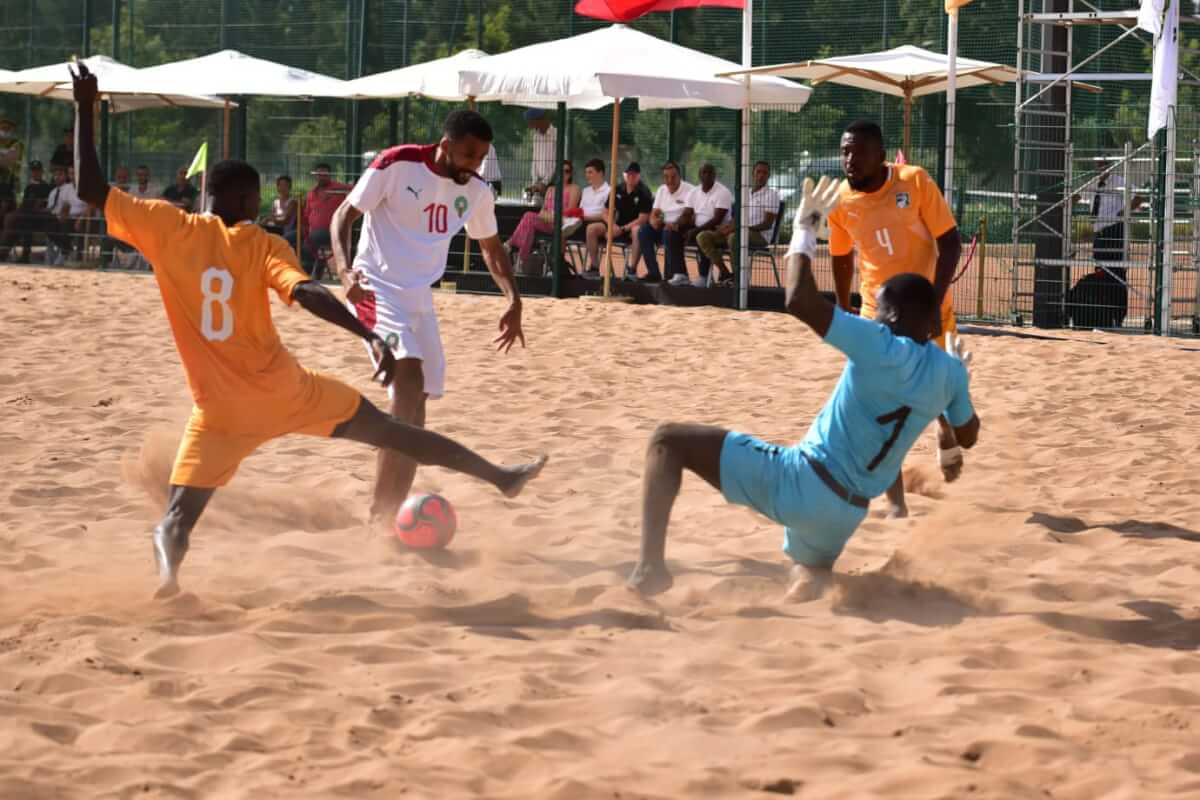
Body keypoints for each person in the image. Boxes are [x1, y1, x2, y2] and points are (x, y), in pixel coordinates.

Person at [69, 64, 545, 599]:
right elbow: (310, 284)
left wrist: (85, 106)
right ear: (252, 204)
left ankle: (167, 577)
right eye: (468, 156)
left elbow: (90, 187)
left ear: (207, 196)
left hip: (219, 414)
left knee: (177, 519)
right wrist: (360, 320)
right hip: (296, 383)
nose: (474, 166)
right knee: (401, 422)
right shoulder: (266, 244)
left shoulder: (167, 228)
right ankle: (490, 480)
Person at [627, 176, 980, 601]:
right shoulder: (947, 370)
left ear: (890, 316)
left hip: (802, 481)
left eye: (880, 309)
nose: (875, 317)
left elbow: (797, 298)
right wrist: (958, 383)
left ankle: (650, 570)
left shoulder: (878, 343)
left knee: (667, 441)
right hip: (847, 514)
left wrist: (806, 227)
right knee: (808, 576)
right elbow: (967, 435)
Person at [330, 109, 528, 527]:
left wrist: (513, 299)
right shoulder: (396, 163)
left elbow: (492, 249)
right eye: (469, 155)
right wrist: (345, 271)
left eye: (481, 158)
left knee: (415, 413)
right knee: (409, 380)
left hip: (420, 299)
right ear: (446, 145)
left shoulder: (475, 191)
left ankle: (388, 514)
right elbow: (343, 215)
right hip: (374, 287)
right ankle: (379, 516)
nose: (475, 165)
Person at [827, 120, 964, 519]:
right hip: (877, 312)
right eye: (845, 151)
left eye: (859, 151)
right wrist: (842, 307)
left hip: (928, 304)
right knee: (879, 405)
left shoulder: (915, 181)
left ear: (881, 155)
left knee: (940, 390)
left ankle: (946, 429)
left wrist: (934, 305)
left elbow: (950, 241)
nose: (849, 159)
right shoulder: (839, 200)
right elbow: (839, 255)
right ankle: (896, 504)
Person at [697, 160, 779, 285]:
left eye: (765, 173)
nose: (761, 175)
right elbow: (737, 218)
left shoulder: (772, 195)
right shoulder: (745, 194)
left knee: (734, 237)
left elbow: (767, 224)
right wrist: (726, 227)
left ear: (768, 176)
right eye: (758, 172)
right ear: (753, 174)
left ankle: (739, 278)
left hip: (760, 236)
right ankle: (725, 273)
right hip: (739, 232)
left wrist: (739, 229)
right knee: (703, 236)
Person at [505, 159, 580, 271]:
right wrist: (549, 216)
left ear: (571, 174)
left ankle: (511, 245)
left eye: (567, 171)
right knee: (529, 223)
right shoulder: (550, 189)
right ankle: (521, 261)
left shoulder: (574, 188)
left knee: (528, 217)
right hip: (547, 222)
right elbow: (542, 211)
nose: (564, 174)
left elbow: (570, 211)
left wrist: (551, 216)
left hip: (562, 224)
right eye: (561, 171)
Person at [589, 161, 652, 279]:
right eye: (628, 174)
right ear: (624, 175)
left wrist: (622, 229)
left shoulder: (644, 193)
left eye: (634, 174)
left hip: (631, 229)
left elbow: (642, 219)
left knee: (637, 230)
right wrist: (612, 226)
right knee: (592, 229)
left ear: (639, 176)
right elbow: (604, 212)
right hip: (616, 226)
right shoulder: (617, 189)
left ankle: (632, 270)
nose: (631, 177)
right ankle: (594, 267)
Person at [634, 161, 694, 284]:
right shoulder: (661, 190)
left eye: (673, 176)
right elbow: (655, 212)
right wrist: (654, 221)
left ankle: (673, 274)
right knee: (643, 231)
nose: (670, 180)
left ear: (679, 176)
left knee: (668, 232)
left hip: (681, 228)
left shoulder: (690, 190)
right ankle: (654, 273)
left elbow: (689, 215)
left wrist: (675, 224)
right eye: (666, 177)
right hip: (664, 225)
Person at [674, 163, 733, 287]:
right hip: (697, 226)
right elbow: (687, 214)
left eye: (709, 173)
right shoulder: (694, 192)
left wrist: (695, 231)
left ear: (714, 175)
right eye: (703, 173)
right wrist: (676, 224)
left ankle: (704, 276)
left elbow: (717, 219)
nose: (706, 175)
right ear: (699, 175)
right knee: (672, 233)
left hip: (717, 229)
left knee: (701, 234)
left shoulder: (723, 192)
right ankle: (680, 273)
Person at [302, 162, 351, 278]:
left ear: (329, 175)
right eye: (319, 174)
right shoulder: (311, 193)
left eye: (325, 174)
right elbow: (306, 214)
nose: (322, 176)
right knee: (289, 239)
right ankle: (312, 274)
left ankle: (305, 276)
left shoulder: (339, 188)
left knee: (308, 245)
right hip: (311, 231)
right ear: (316, 176)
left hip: (330, 230)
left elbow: (356, 190)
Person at [0, 160, 51, 263]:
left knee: (25, 224)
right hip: (25, 215)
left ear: (42, 172)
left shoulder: (46, 187)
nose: (35, 173)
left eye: (37, 171)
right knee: (13, 225)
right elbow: (24, 203)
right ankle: (3, 254)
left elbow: (45, 204)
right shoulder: (29, 187)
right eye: (33, 171)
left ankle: (25, 256)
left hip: (38, 217)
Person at [577, 159, 611, 278]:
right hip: (583, 222)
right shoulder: (585, 191)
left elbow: (606, 215)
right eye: (586, 172)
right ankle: (558, 264)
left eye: (590, 172)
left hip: (602, 224)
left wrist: (585, 217)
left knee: (591, 228)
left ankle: (594, 267)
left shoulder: (609, 191)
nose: (587, 175)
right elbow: (580, 210)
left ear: (600, 173)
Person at [524, 109, 557, 204]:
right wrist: (535, 182)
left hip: (553, 182)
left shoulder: (557, 135)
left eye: (530, 122)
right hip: (539, 182)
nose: (529, 126)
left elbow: (556, 162)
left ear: (539, 120)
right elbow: (535, 160)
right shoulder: (536, 136)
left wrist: (545, 182)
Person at [260, 174, 298, 249]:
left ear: (290, 187)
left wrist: (270, 219)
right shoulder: (275, 202)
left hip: (285, 230)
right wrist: (267, 220)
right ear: (277, 187)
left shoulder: (292, 202)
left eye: (285, 185)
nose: (282, 188)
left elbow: (285, 220)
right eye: (280, 185)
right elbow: (272, 217)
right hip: (275, 228)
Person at [0, 117, 25, 219]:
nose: (5, 131)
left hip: (9, 185)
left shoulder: (17, 144)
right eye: (3, 128)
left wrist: (5, 159)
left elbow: (7, 162)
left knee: (7, 214)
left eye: (8, 128)